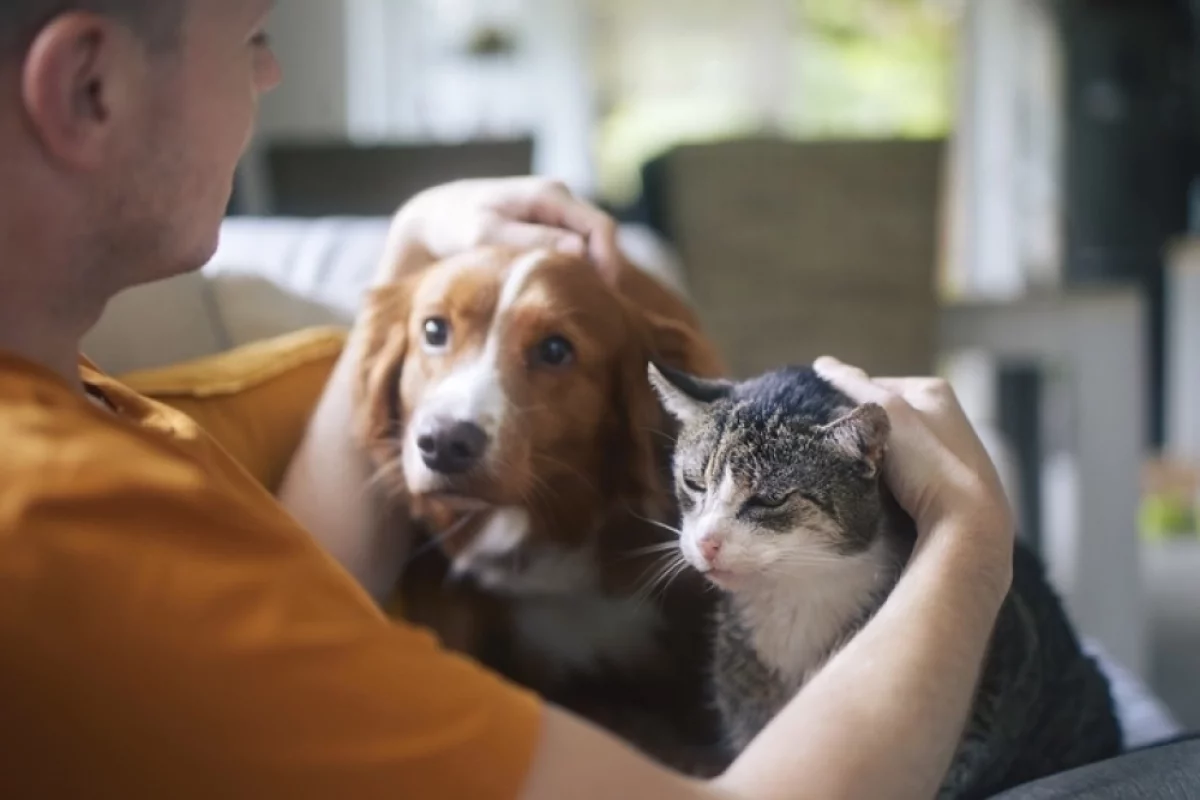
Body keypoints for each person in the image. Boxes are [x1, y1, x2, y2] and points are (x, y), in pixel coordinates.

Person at [0, 1, 1025, 798]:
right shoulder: (57, 523)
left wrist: (412, 247)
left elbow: (297, 604)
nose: (269, 71)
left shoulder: (75, 406)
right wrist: (970, 538)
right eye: (251, 37)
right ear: (90, 86)